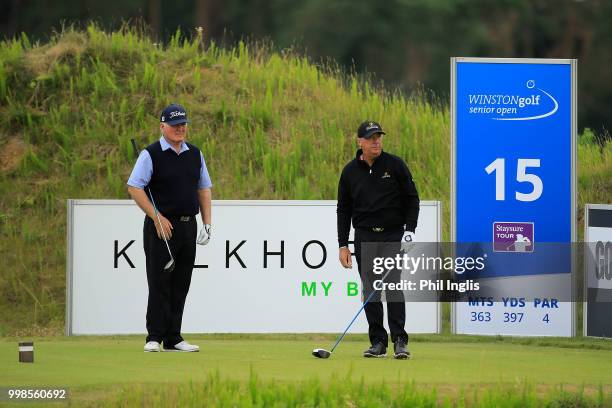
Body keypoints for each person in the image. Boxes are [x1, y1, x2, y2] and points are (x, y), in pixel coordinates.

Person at [127, 103, 212, 352]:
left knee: (181, 282)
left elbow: (204, 189)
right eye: (175, 125)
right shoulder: (150, 154)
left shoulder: (195, 154)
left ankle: (173, 337)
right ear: (162, 126)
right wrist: (156, 216)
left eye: (183, 124)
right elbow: (135, 187)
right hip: (161, 227)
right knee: (159, 280)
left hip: (188, 225)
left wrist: (207, 223)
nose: (180, 129)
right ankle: (154, 336)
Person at [337, 120, 420, 359]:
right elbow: (343, 210)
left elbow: (412, 199)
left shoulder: (395, 165)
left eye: (379, 136)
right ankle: (378, 342)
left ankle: (400, 341)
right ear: (359, 142)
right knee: (370, 289)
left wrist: (409, 229)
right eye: (371, 137)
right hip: (364, 236)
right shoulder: (350, 172)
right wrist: (343, 244)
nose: (376, 141)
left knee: (392, 285)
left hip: (393, 234)